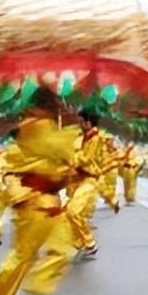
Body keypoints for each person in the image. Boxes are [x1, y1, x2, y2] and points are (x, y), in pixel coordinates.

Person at [0, 86, 81, 295]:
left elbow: (62, 162)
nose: (61, 106)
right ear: (49, 104)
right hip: (35, 201)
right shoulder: (37, 126)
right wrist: (73, 127)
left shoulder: (44, 126)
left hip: (50, 200)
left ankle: (37, 294)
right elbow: (60, 150)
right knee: (23, 255)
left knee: (62, 247)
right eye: (57, 102)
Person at [65, 111, 106, 260]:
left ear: (89, 122)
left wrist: (70, 159)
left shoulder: (96, 138)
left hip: (91, 179)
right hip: (81, 178)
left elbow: (85, 158)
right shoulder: (85, 138)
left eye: (83, 121)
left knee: (73, 210)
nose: (80, 124)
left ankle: (89, 242)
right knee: (69, 212)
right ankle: (80, 242)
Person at [118, 139, 143, 205]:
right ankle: (127, 197)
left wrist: (137, 168)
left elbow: (139, 159)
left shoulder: (136, 150)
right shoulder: (124, 149)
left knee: (132, 183)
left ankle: (131, 197)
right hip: (125, 168)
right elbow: (121, 157)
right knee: (126, 183)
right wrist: (127, 150)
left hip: (132, 168)